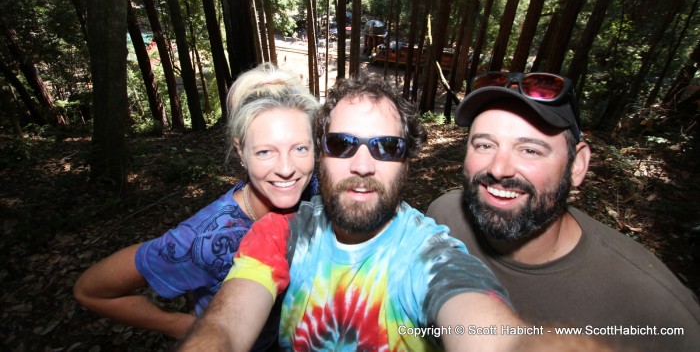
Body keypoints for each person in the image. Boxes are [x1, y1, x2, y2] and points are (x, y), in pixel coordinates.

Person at [179, 74, 607, 352]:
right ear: (319, 154)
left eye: (387, 147)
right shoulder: (281, 233)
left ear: (407, 162)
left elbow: (499, 340)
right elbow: (226, 330)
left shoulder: (430, 255)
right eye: (342, 144)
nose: (363, 164)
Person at [427, 71, 700, 352]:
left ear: (576, 166)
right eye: (484, 145)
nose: (498, 168)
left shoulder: (656, 308)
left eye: (530, 150)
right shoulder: (444, 217)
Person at [73, 63, 319, 349]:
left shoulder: (313, 191)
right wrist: (179, 325)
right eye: (265, 151)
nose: (287, 169)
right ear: (240, 151)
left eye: (300, 148)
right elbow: (90, 291)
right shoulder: (206, 238)